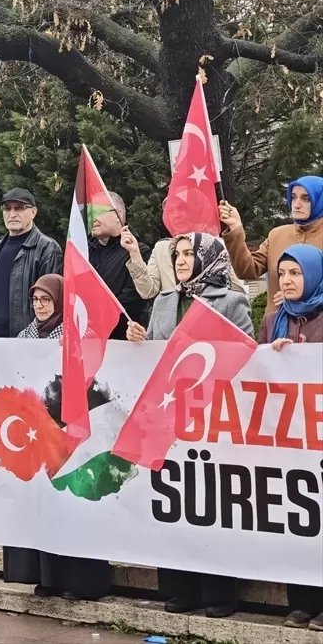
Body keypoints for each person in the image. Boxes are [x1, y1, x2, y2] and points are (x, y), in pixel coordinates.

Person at [125, 233, 252, 619]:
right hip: (169, 420)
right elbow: (158, 355)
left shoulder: (231, 301)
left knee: (211, 507)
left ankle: (217, 593)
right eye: (177, 254)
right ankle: (181, 589)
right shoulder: (164, 301)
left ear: (208, 258)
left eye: (188, 254)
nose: (180, 260)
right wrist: (141, 341)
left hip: (212, 419)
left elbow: (244, 352)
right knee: (174, 504)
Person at [0, 274, 113, 601]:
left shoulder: (78, 333)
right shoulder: (26, 335)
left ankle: (81, 582)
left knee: (74, 504)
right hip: (39, 436)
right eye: (35, 300)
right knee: (45, 506)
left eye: (46, 300)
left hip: (72, 436)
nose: (39, 306)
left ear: (60, 301)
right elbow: (11, 368)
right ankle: (48, 577)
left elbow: (96, 371)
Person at [257, 244, 323, 631]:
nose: (287, 281)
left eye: (295, 274)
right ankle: (302, 601)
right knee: (296, 519)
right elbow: (256, 369)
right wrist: (272, 353)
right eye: (283, 274)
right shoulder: (274, 317)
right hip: (288, 440)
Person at [222, 176, 323, 301]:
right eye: (293, 197)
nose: (296, 204)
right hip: (276, 319)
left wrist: (302, 298)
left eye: (306, 199)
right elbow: (247, 270)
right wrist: (235, 228)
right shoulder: (277, 234)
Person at [0, 189, 62, 338]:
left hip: (25, 341)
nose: (12, 214)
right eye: (7, 208)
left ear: (33, 212)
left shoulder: (47, 248)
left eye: (19, 208)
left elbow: (52, 303)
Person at [125, 201, 245, 299]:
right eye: (170, 211)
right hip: (175, 324)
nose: (175, 215)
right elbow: (147, 291)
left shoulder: (217, 246)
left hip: (213, 320)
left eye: (181, 209)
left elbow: (238, 292)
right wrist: (134, 253)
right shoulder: (161, 248)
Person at [89, 192, 151, 339]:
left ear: (118, 216)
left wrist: (96, 317)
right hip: (88, 339)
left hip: (125, 342)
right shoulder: (83, 251)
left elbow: (134, 299)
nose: (93, 218)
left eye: (99, 211)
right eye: (91, 212)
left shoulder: (139, 252)